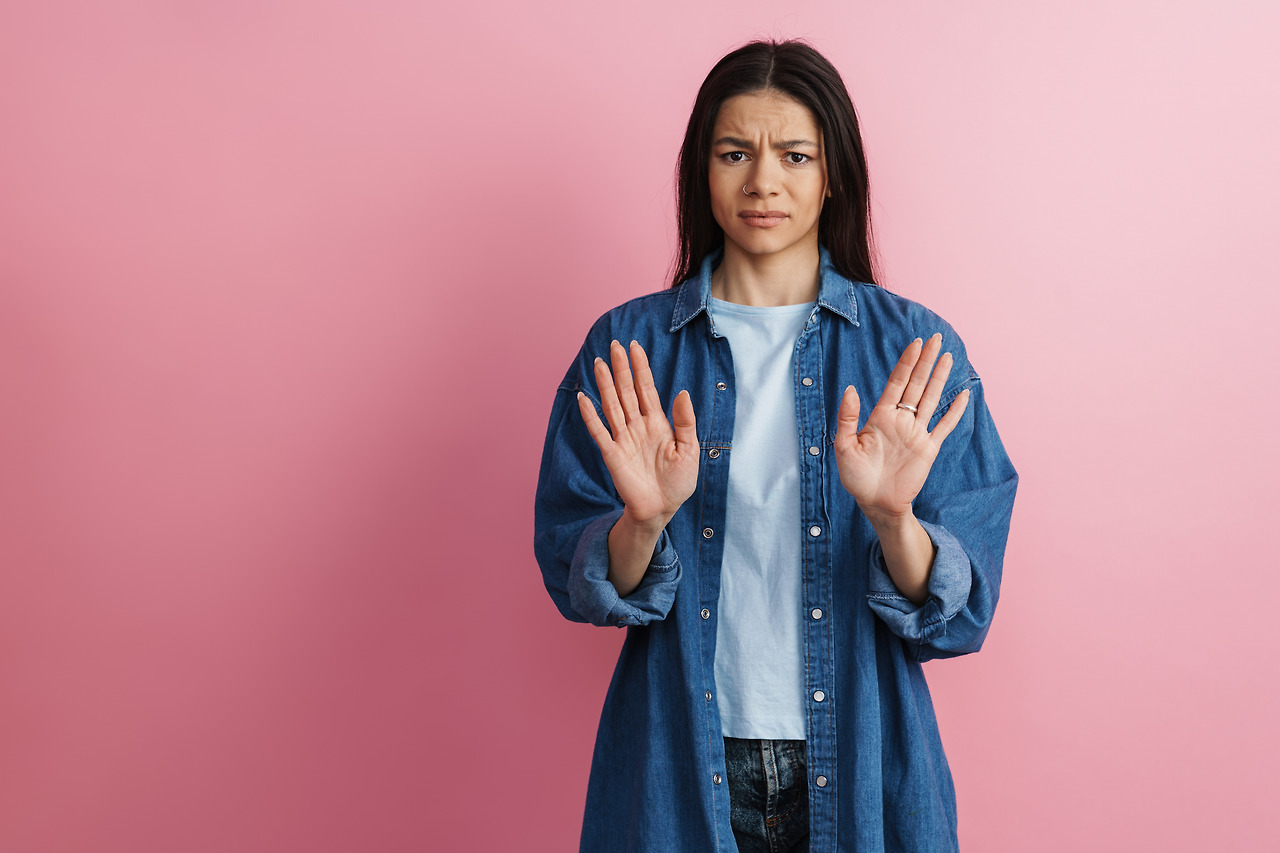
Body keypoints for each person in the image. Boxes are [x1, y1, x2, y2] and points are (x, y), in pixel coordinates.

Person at [534, 39, 1017, 853]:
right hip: (678, 762)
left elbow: (960, 614)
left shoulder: (915, 352)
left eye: (795, 155)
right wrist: (643, 523)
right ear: (702, 170)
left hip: (862, 762)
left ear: (833, 174)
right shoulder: (629, 351)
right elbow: (575, 576)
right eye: (735, 153)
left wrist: (895, 517)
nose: (764, 181)